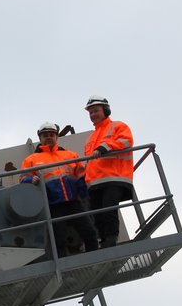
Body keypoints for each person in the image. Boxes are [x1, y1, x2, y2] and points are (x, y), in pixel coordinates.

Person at [21, 122, 98, 256]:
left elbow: (81, 175)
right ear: (40, 138)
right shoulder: (31, 159)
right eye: (45, 135)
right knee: (58, 240)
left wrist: (85, 196)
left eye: (51, 135)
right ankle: (65, 272)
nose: (49, 137)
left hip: (74, 202)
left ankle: (97, 261)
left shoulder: (70, 155)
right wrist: (30, 179)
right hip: (53, 205)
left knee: (89, 232)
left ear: (56, 136)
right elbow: (23, 178)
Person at [83, 95, 135, 248]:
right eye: (90, 112)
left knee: (108, 210)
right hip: (95, 182)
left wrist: (104, 147)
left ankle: (111, 239)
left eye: (96, 111)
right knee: (97, 215)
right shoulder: (91, 138)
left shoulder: (118, 126)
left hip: (114, 177)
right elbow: (90, 162)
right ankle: (104, 241)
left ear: (106, 110)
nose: (93, 115)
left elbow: (126, 141)